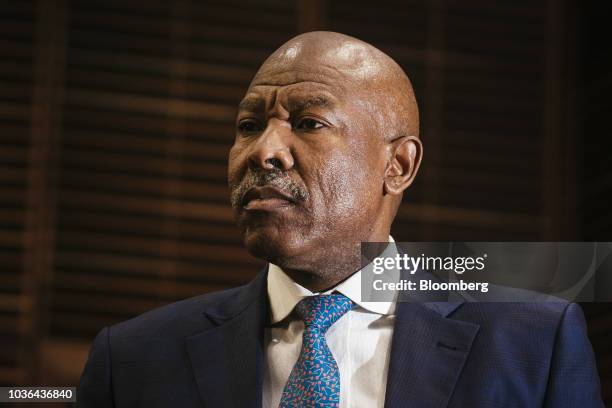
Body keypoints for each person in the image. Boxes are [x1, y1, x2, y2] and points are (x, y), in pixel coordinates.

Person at [76, 31, 603, 407]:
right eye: (248, 125)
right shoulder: (133, 361)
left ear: (398, 166)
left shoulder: (535, 343)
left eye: (308, 122)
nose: (264, 151)